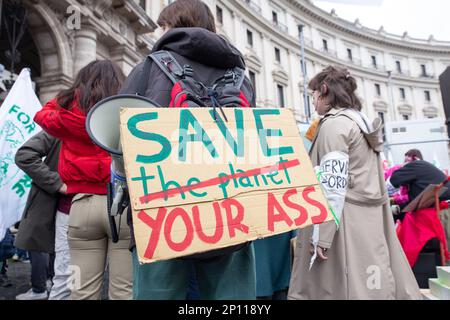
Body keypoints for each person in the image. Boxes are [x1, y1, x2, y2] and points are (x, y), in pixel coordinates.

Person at [120, 0, 257, 300]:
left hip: (162, 212)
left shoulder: (149, 66)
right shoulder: (242, 78)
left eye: (164, 26)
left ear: (173, 25)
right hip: (233, 208)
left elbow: (119, 139)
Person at [288, 66, 421, 300]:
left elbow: (332, 184)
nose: (313, 103)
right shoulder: (361, 122)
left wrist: (323, 237)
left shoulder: (333, 125)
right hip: (367, 222)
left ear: (324, 90)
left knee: (336, 289)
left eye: (313, 96)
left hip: (342, 225)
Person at [34, 60, 132, 300]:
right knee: (124, 291)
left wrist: (72, 93)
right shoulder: (127, 108)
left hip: (81, 206)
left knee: (81, 289)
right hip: (123, 206)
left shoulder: (68, 112)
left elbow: (42, 114)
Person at [14, 131, 62, 300]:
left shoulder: (61, 125)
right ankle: (45, 284)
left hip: (64, 198)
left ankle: (40, 287)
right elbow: (24, 155)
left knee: (42, 245)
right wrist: (56, 182)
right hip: (55, 196)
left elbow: (24, 155)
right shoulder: (60, 126)